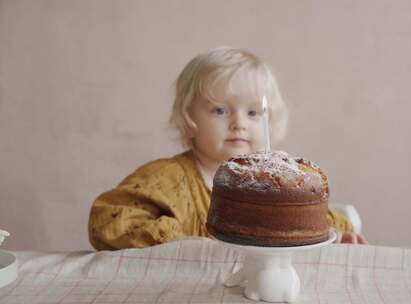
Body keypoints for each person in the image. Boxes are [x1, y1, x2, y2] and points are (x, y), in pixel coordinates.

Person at [88, 47, 367, 250]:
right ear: (189, 117)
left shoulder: (276, 185)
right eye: (220, 110)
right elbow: (109, 219)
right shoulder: (168, 178)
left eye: (254, 113)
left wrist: (335, 235)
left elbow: (313, 220)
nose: (238, 124)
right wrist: (180, 242)